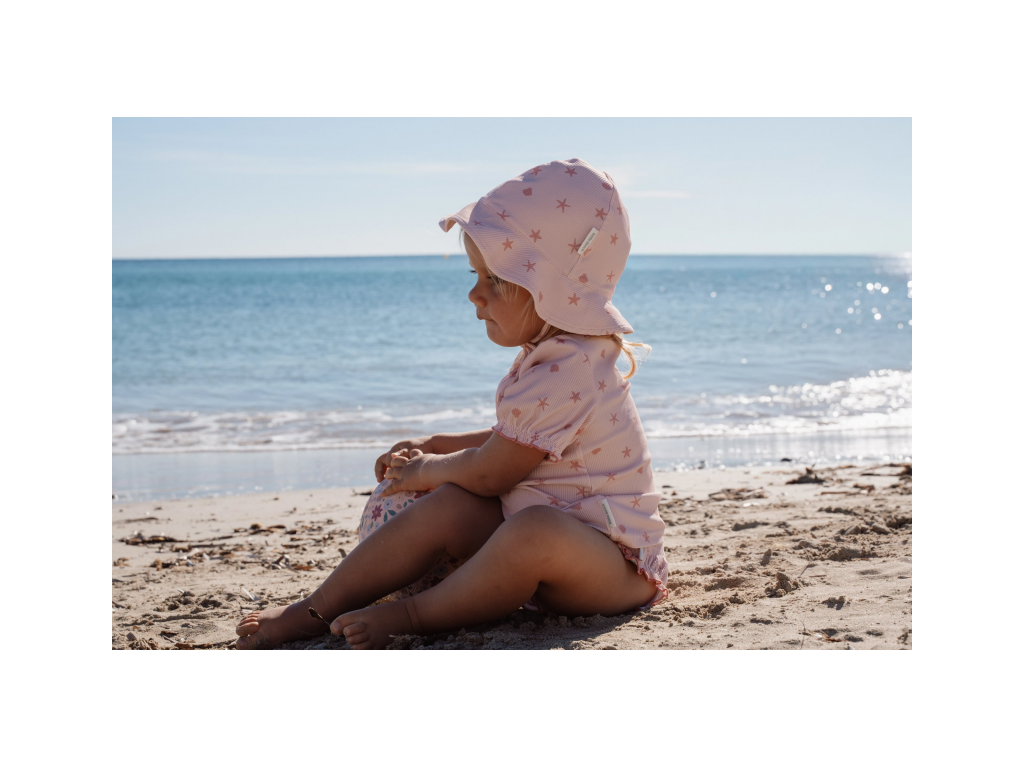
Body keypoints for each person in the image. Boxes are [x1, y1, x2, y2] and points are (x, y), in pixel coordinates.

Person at [236, 158, 667, 649]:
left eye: (496, 279)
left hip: (612, 567)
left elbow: (492, 473)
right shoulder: (555, 354)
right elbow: (519, 444)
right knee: (453, 507)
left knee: (533, 529)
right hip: (553, 555)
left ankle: (414, 614)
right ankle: (315, 608)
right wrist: (439, 444)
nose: (474, 294)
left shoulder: (569, 365)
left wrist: (426, 469)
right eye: (475, 274)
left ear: (552, 290)